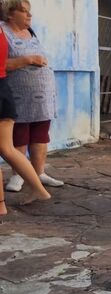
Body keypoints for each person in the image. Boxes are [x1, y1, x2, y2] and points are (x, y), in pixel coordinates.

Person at [2, 0, 62, 194]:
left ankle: (39, 172)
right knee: (20, 135)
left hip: (42, 95)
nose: (29, 16)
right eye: (24, 12)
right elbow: (2, 64)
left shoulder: (31, 32)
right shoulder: (3, 31)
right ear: (10, 14)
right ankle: (18, 175)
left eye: (30, 12)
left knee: (40, 135)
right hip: (18, 95)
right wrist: (27, 60)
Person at [0, 18, 50, 215]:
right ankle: (38, 190)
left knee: (8, 148)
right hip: (5, 91)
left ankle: (3, 205)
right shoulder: (2, 31)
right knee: (7, 149)